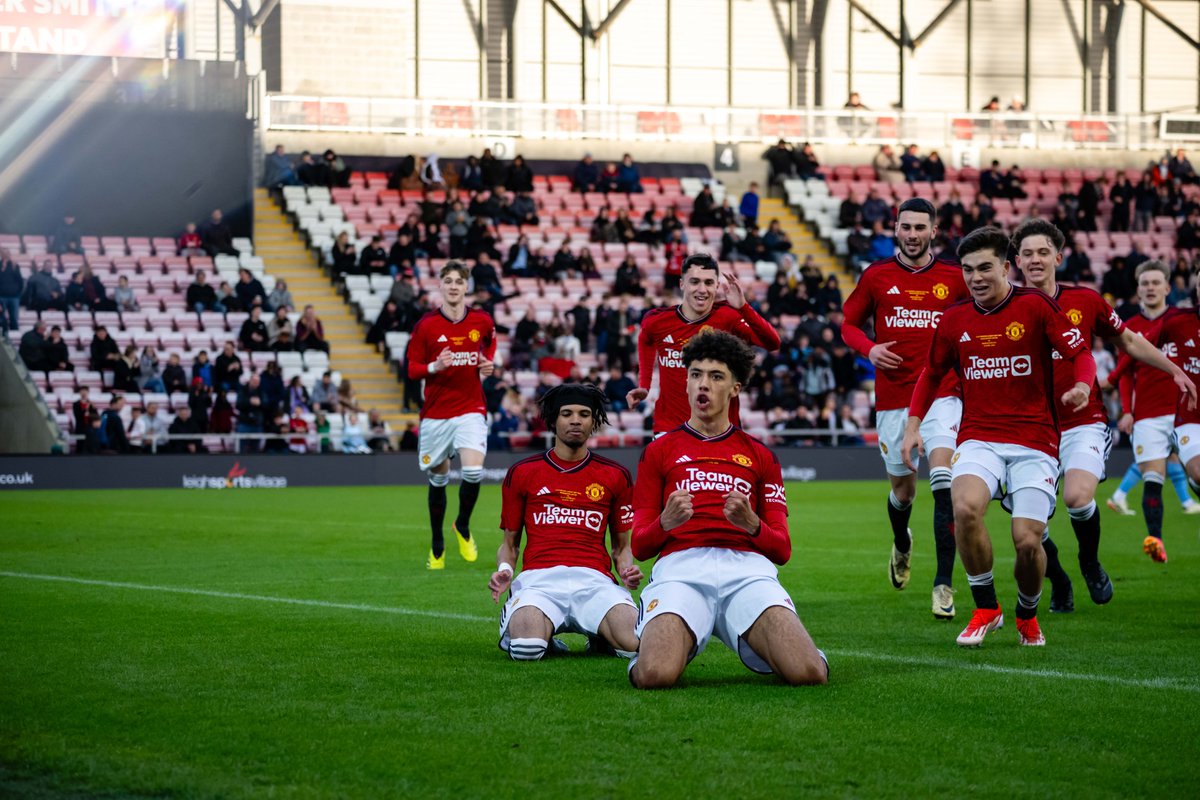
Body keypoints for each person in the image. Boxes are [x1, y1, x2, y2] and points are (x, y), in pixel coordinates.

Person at [901, 226, 1097, 648]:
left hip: (1036, 442)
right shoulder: (954, 319)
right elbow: (932, 373)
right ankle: (986, 608)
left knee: (1027, 541)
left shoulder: (1037, 306)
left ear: (1007, 267)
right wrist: (913, 424)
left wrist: (1082, 386)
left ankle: (1027, 614)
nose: (975, 277)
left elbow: (1081, 354)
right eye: (968, 270)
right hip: (979, 437)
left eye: (985, 267)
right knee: (964, 507)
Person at [1011, 220, 1195, 608]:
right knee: (1030, 527)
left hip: (1083, 421)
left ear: (1058, 257)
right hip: (1025, 428)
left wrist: (1173, 369)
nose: (1035, 260)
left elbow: (1128, 340)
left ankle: (1090, 563)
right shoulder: (1003, 306)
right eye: (1027, 253)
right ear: (1016, 260)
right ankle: (1059, 580)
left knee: (1078, 498)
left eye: (1043, 252)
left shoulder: (1085, 300)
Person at [630, 331, 828, 688]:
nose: (703, 384)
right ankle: (656, 640)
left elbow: (782, 550)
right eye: (696, 374)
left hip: (747, 572)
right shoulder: (658, 452)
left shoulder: (761, 455)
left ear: (735, 388)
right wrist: (665, 523)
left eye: (716, 376)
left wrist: (752, 525)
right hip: (681, 570)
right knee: (654, 676)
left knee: (809, 673)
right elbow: (641, 547)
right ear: (686, 382)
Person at [836, 199, 972, 617]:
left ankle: (943, 584)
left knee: (944, 483)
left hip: (942, 394)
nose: (913, 234)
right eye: (906, 227)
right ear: (896, 229)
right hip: (894, 399)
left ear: (934, 231)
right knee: (903, 490)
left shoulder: (954, 277)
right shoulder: (876, 276)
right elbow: (847, 324)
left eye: (920, 227)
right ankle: (902, 542)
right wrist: (870, 349)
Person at [488, 383, 643, 661]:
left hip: (596, 583)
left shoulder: (616, 475)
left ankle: (602, 638)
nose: (575, 420)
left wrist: (627, 570)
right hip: (539, 582)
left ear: (594, 421)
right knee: (526, 649)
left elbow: (622, 547)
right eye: (567, 413)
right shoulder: (522, 472)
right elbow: (510, 545)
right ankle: (528, 626)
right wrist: (504, 570)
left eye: (584, 414)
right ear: (553, 420)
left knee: (638, 644)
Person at [405, 261, 497, 569]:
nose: (454, 286)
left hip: (471, 408)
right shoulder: (426, 326)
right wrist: (435, 367)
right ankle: (437, 543)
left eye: (459, 281)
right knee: (439, 479)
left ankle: (463, 524)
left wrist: (488, 362)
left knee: (473, 471)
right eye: (449, 281)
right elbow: (411, 368)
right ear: (440, 286)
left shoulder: (482, 320)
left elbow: (491, 342)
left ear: (466, 287)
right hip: (435, 414)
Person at [629, 254, 781, 436]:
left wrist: (743, 307)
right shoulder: (659, 321)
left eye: (709, 283)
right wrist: (644, 385)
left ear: (717, 286)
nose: (702, 289)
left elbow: (772, 343)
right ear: (682, 284)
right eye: (694, 282)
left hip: (720, 432)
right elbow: (645, 339)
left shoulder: (729, 317)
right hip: (671, 429)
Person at [1107, 260, 1198, 564]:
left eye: (1156, 282)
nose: (1150, 288)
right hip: (1147, 413)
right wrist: (1128, 411)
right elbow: (1126, 374)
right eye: (1144, 283)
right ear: (1138, 288)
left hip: (1186, 410)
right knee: (1152, 477)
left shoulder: (1182, 321)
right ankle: (1155, 540)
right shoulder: (1129, 327)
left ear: (1167, 288)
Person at [0, 250, 22, 333]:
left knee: (14, 318)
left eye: (7, 253)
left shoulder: (15, 265)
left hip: (14, 296)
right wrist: (3, 268)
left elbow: (20, 281)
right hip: (1, 296)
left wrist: (17, 293)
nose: (6, 255)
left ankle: (15, 335)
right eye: (4, 253)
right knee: (1, 318)